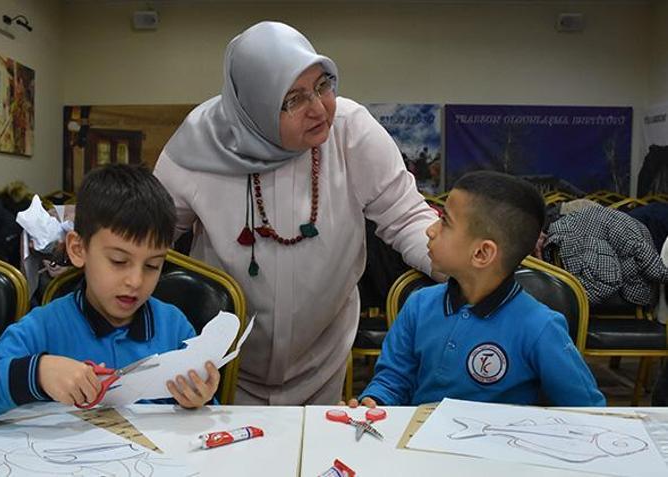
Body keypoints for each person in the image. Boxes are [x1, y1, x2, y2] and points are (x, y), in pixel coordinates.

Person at [153, 21, 439, 405]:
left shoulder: (350, 130)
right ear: (255, 106)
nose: (319, 108)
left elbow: (406, 219)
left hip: (323, 360)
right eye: (294, 99)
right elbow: (151, 238)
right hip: (217, 371)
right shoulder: (197, 144)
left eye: (323, 85)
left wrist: (467, 264)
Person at [0, 164, 219, 423]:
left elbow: (206, 417)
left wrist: (199, 399)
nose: (135, 280)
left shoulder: (174, 327)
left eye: (153, 265)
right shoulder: (45, 327)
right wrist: (36, 373)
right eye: (119, 261)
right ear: (78, 249)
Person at [347, 171, 605, 407]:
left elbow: (587, 411)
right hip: (419, 450)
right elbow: (392, 381)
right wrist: (375, 401)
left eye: (444, 222)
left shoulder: (540, 327)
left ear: (482, 253)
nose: (430, 230)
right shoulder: (418, 306)